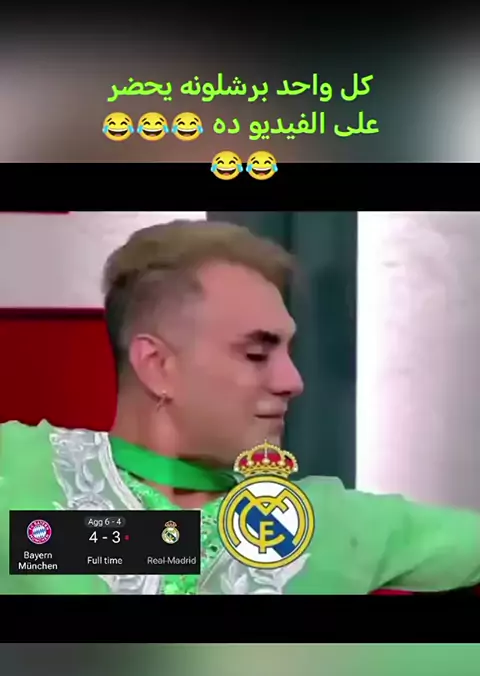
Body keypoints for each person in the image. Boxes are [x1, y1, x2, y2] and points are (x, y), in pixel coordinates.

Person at [1, 219, 480, 595]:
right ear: (158, 365)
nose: (293, 382)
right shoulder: (19, 474)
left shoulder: (333, 524)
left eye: (289, 352)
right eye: (256, 354)